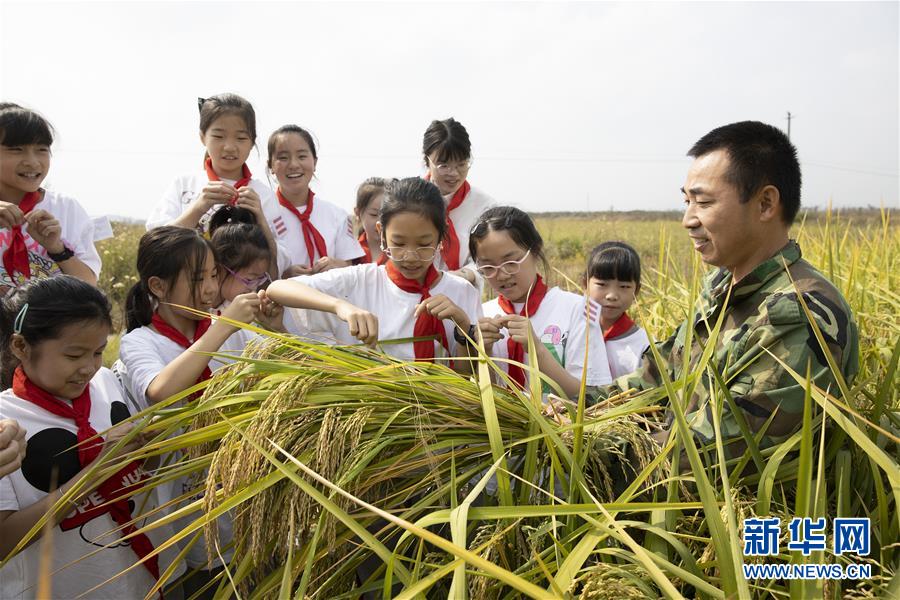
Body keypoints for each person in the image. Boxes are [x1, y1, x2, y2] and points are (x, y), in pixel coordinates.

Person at [583, 121, 859, 465]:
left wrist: (582, 451)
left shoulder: (801, 314)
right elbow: (660, 378)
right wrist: (581, 409)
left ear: (765, 204)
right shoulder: (720, 287)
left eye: (704, 202)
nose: (688, 219)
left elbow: (716, 452)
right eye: (686, 202)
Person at [0, 276, 185, 599]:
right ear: (21, 346)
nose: (88, 367)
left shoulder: (104, 382)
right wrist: (99, 469)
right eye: (74, 356)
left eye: (98, 352)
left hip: (150, 575)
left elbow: (141, 472)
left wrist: (149, 444)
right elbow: (5, 540)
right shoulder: (6, 424)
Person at [117, 225, 263, 593]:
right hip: (186, 502)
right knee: (206, 581)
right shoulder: (140, 342)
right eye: (198, 279)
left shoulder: (232, 330)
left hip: (244, 488)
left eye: (215, 274)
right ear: (158, 287)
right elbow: (162, 392)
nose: (212, 288)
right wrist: (225, 326)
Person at [268, 177, 482, 364]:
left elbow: (467, 376)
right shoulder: (360, 281)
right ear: (381, 232)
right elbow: (278, 289)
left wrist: (462, 326)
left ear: (441, 236)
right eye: (398, 243)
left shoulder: (462, 292)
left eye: (424, 244)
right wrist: (340, 306)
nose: (409, 256)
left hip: (441, 407)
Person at [472, 207, 612, 399]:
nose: (502, 275)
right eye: (488, 267)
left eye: (511, 262)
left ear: (535, 251)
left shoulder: (577, 309)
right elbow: (482, 396)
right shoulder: (483, 313)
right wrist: (484, 352)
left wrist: (537, 349)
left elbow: (593, 396)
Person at [146, 93, 285, 277]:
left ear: (252, 142)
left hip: (245, 299)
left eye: (241, 138)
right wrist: (198, 208)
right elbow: (154, 244)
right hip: (188, 299)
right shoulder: (184, 184)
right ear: (203, 137)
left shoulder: (262, 195)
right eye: (219, 136)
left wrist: (260, 218)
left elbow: (281, 262)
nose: (229, 147)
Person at [0, 104, 101, 299]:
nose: (32, 161)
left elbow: (89, 286)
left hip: (47, 326)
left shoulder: (66, 209)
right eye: (16, 149)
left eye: (41, 149)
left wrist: (57, 249)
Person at [267, 125, 364, 276]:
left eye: (302, 156)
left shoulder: (337, 215)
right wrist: (283, 277)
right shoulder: (262, 215)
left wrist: (335, 265)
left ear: (315, 162)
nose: (293, 164)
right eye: (283, 158)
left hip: (329, 297)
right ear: (270, 166)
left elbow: (351, 265)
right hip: (279, 298)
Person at [421, 118, 497, 288]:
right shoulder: (410, 201)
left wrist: (459, 276)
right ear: (427, 161)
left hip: (463, 293)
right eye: (444, 165)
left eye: (462, 164)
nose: (454, 173)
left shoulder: (484, 207)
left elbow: (488, 259)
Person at [208, 207, 285, 361]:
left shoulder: (252, 313)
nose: (253, 288)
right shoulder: (196, 310)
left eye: (260, 280)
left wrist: (276, 329)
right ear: (221, 268)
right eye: (249, 279)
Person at [586, 241, 650, 380]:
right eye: (602, 284)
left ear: (636, 290)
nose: (612, 295)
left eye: (624, 286)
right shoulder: (571, 333)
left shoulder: (645, 347)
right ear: (585, 283)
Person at [353, 177, 393, 265]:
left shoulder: (400, 252)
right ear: (358, 213)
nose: (380, 222)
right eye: (374, 214)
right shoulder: (350, 253)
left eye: (387, 215)